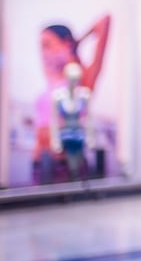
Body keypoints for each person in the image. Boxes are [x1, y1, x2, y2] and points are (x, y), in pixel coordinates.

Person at [35, 15, 110, 182]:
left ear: (66, 43)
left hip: (65, 163)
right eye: (41, 47)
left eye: (47, 45)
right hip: (40, 160)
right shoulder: (51, 76)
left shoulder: (84, 79)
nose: (44, 53)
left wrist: (77, 43)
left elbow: (104, 21)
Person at [51, 62, 91, 181]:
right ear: (66, 78)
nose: (74, 82)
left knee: (80, 164)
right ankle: (72, 183)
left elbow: (89, 118)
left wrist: (90, 137)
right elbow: (54, 120)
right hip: (66, 135)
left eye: (76, 79)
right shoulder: (58, 96)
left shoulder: (84, 95)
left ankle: (77, 182)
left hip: (80, 134)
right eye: (71, 79)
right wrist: (55, 140)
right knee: (70, 165)